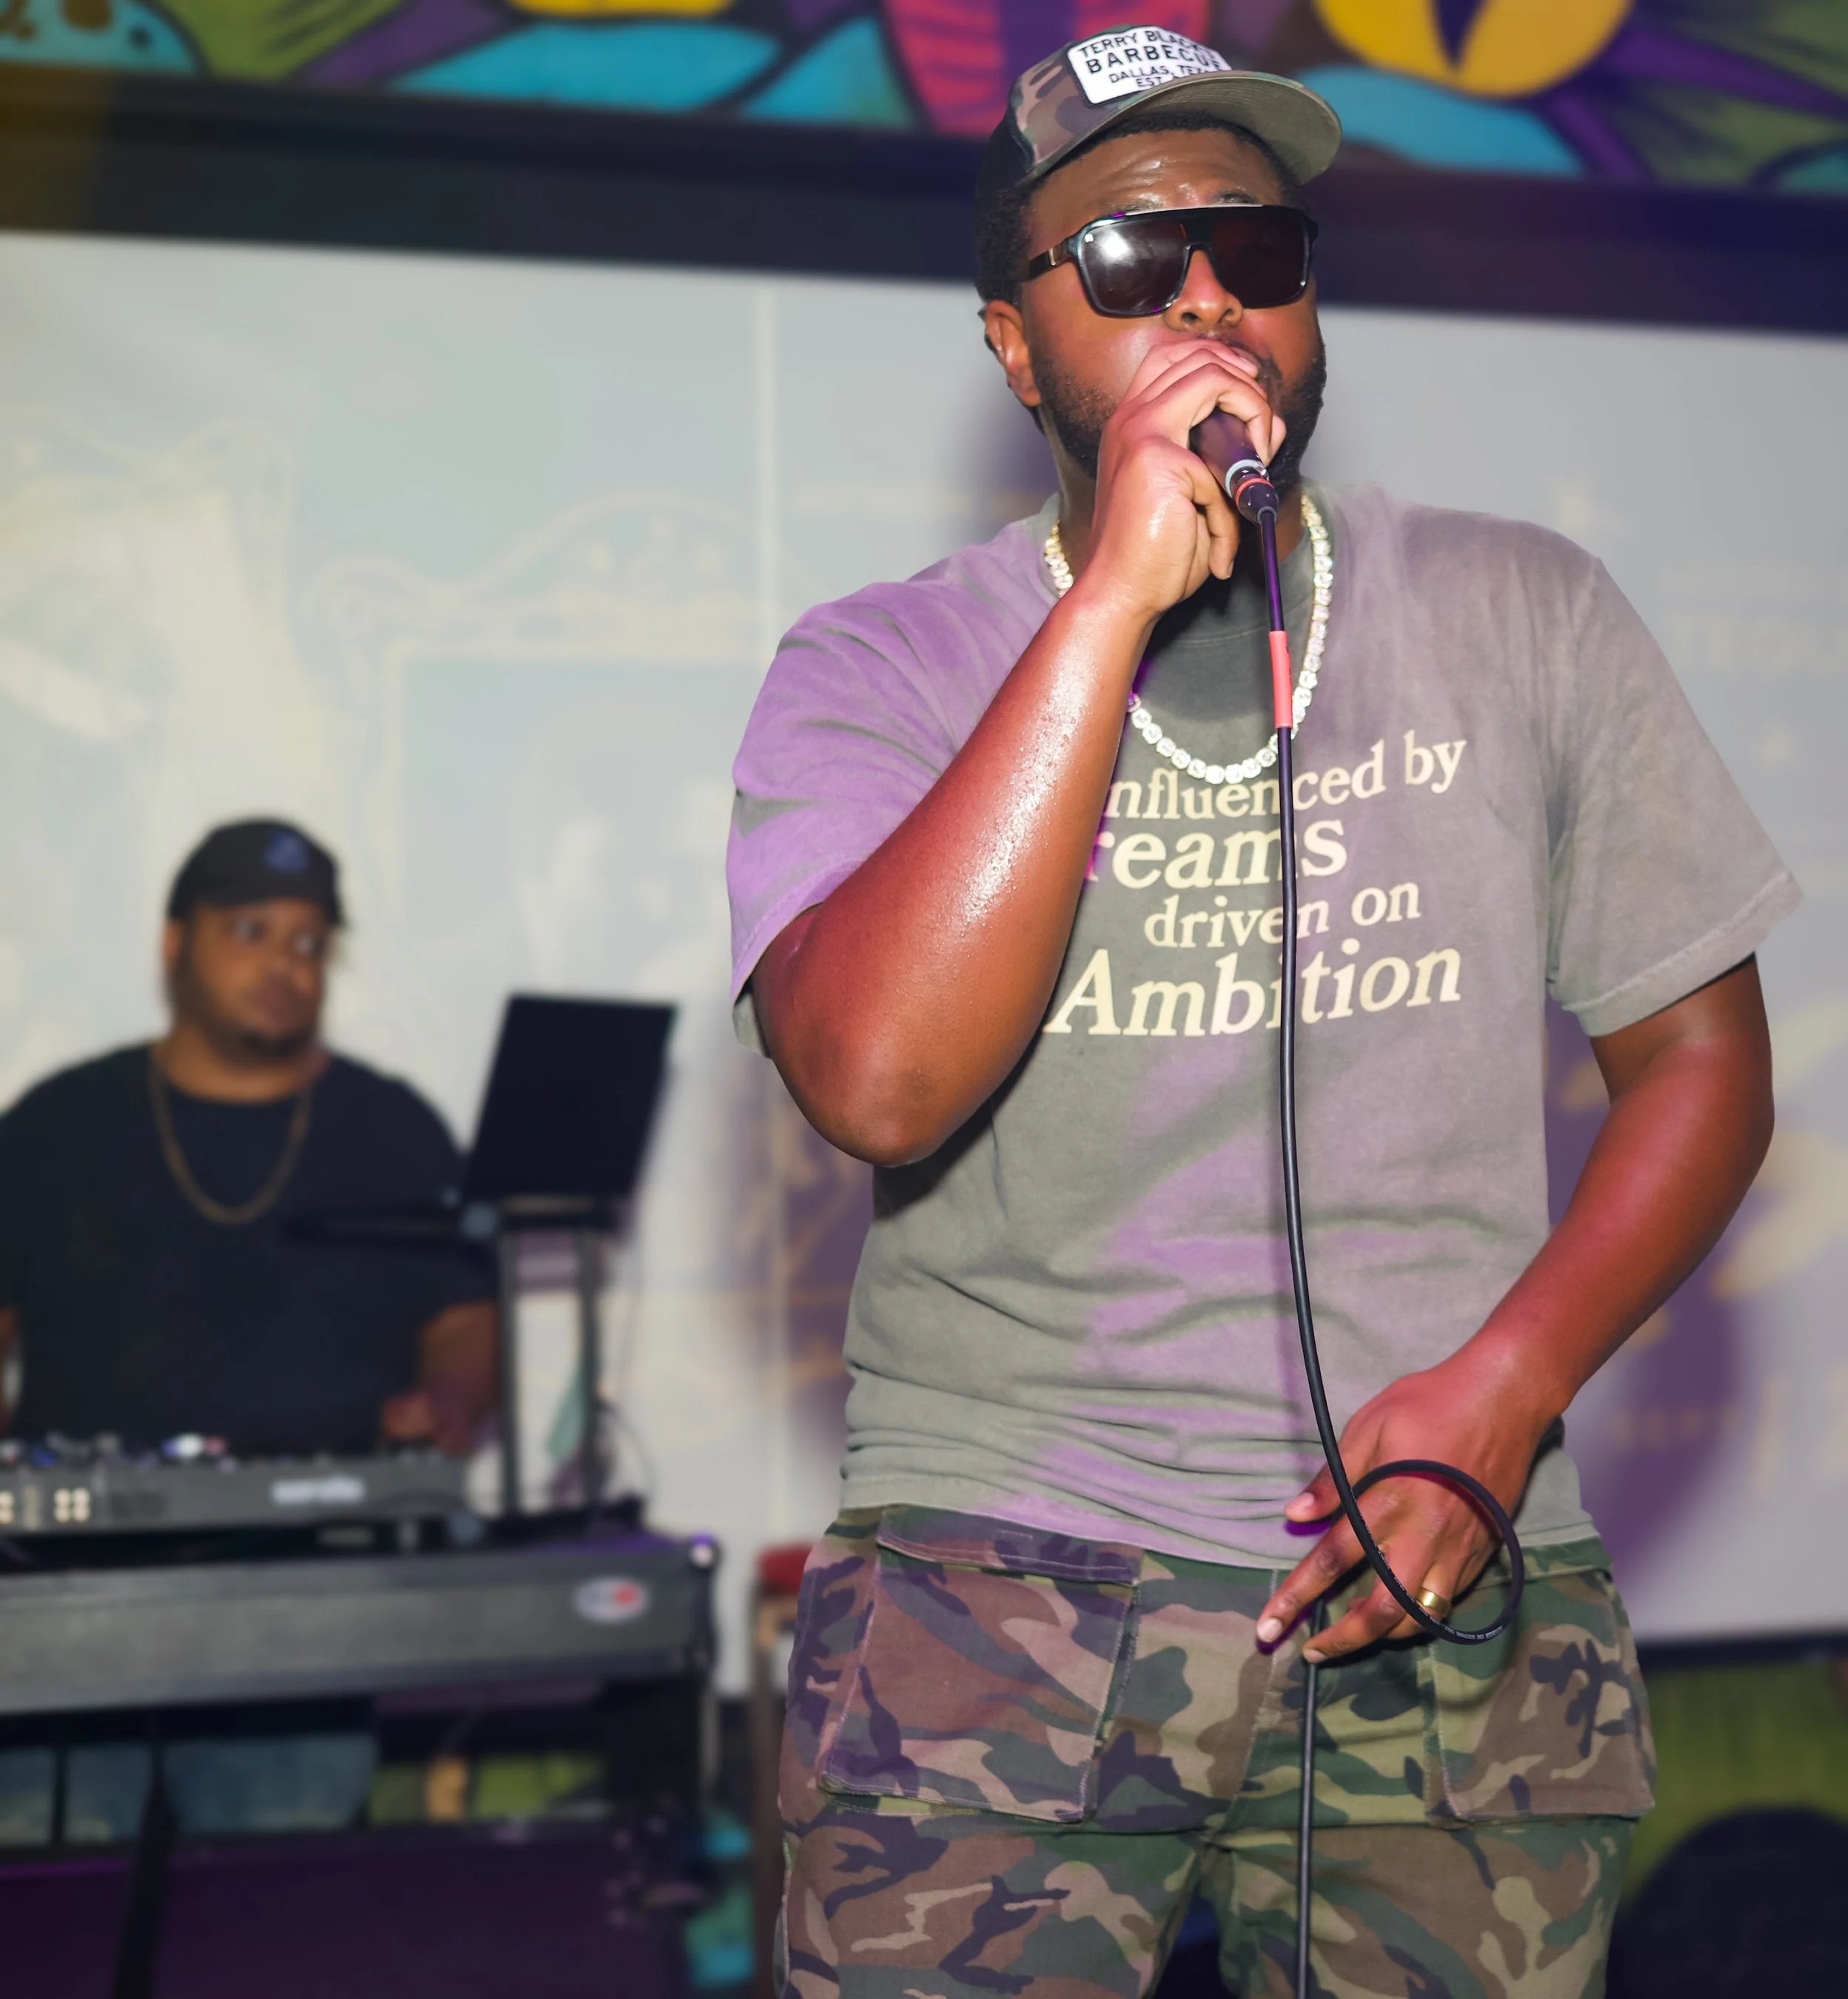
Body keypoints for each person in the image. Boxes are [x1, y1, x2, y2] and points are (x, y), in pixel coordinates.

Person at [726, 29, 1797, 1999]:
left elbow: (1702, 1063)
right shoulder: (879, 665)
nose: (1209, 290)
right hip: (1000, 1577)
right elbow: (879, 1077)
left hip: (1450, 1573)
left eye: (1259, 245)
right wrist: (1109, 602)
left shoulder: (1523, 609)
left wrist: (1502, 1393)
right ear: (1011, 341)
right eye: (1131, 256)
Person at [0, 819, 495, 1459]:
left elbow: (465, 1320)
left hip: (352, 1544)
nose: (283, 965)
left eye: (310, 944)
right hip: (90, 1554)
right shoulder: (54, 1126)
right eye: (248, 931)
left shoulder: (396, 1128)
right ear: (174, 944)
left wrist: (449, 1400)